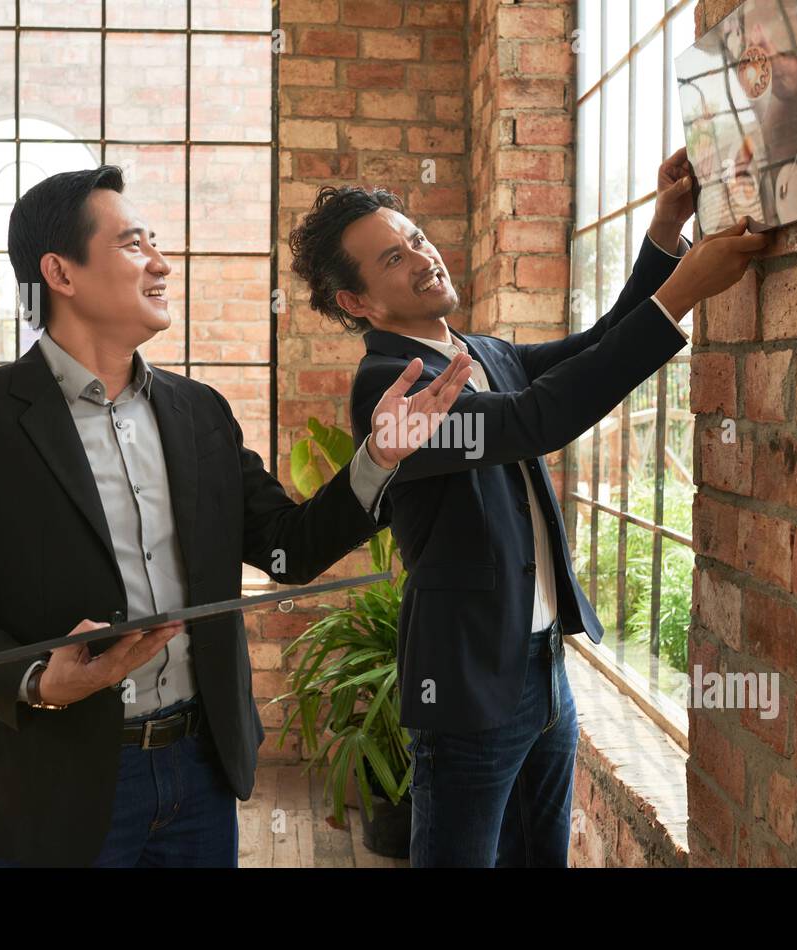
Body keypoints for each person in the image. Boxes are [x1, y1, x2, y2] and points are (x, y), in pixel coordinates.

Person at [0, 165, 473, 867]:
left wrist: (378, 456)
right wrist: (36, 680)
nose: (161, 263)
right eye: (134, 245)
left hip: (198, 774)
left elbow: (288, 548)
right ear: (60, 274)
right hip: (52, 785)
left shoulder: (200, 413)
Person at [289, 148, 767, 866]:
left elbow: (600, 342)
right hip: (466, 687)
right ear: (356, 302)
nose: (422, 258)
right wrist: (683, 295)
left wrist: (666, 233)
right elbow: (537, 420)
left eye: (416, 238)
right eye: (392, 259)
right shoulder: (388, 391)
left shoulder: (480, 350)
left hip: (545, 673)